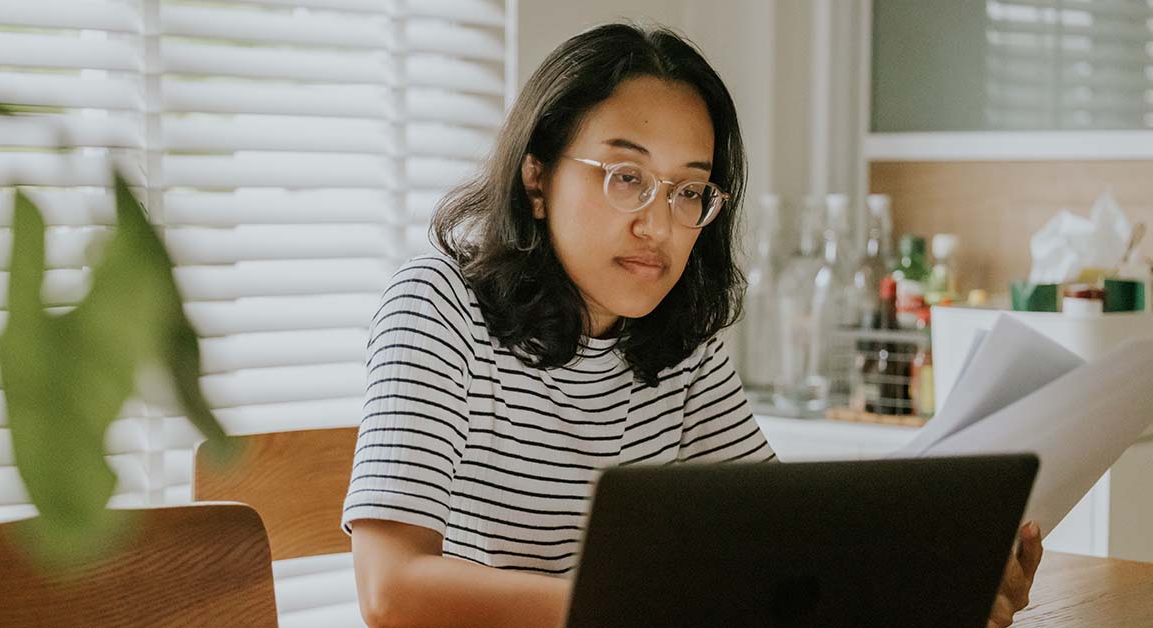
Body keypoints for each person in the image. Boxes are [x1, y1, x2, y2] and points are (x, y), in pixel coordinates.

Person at [342, 22, 1041, 628]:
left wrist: (941, 592)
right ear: (536, 177)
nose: (658, 224)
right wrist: (642, 609)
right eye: (625, 175)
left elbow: (786, 554)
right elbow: (391, 594)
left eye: (688, 192)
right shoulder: (437, 304)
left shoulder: (679, 348)